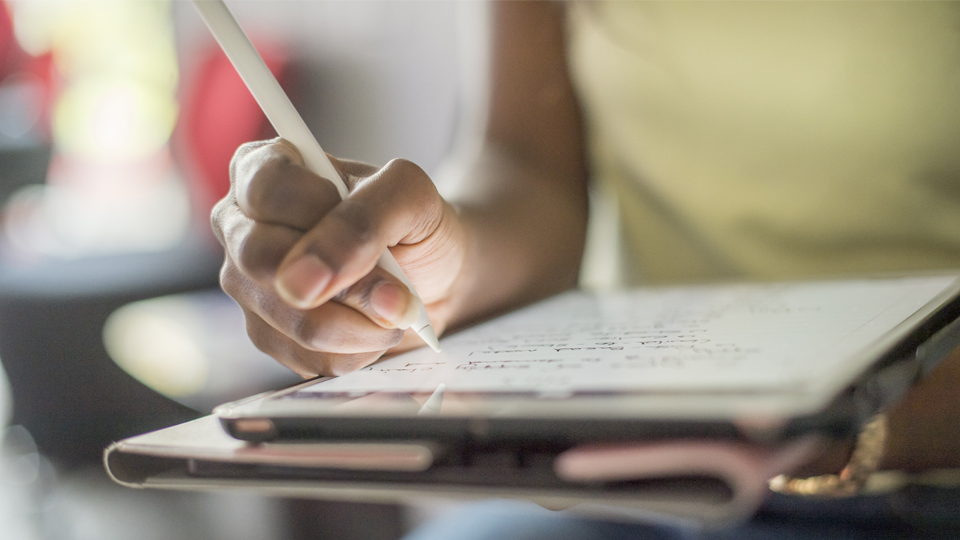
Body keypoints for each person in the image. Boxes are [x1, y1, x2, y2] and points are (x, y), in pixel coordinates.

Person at [212, 2, 960, 537]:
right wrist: (446, 261)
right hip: (650, 478)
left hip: (922, 468)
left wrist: (830, 424)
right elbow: (530, 168)